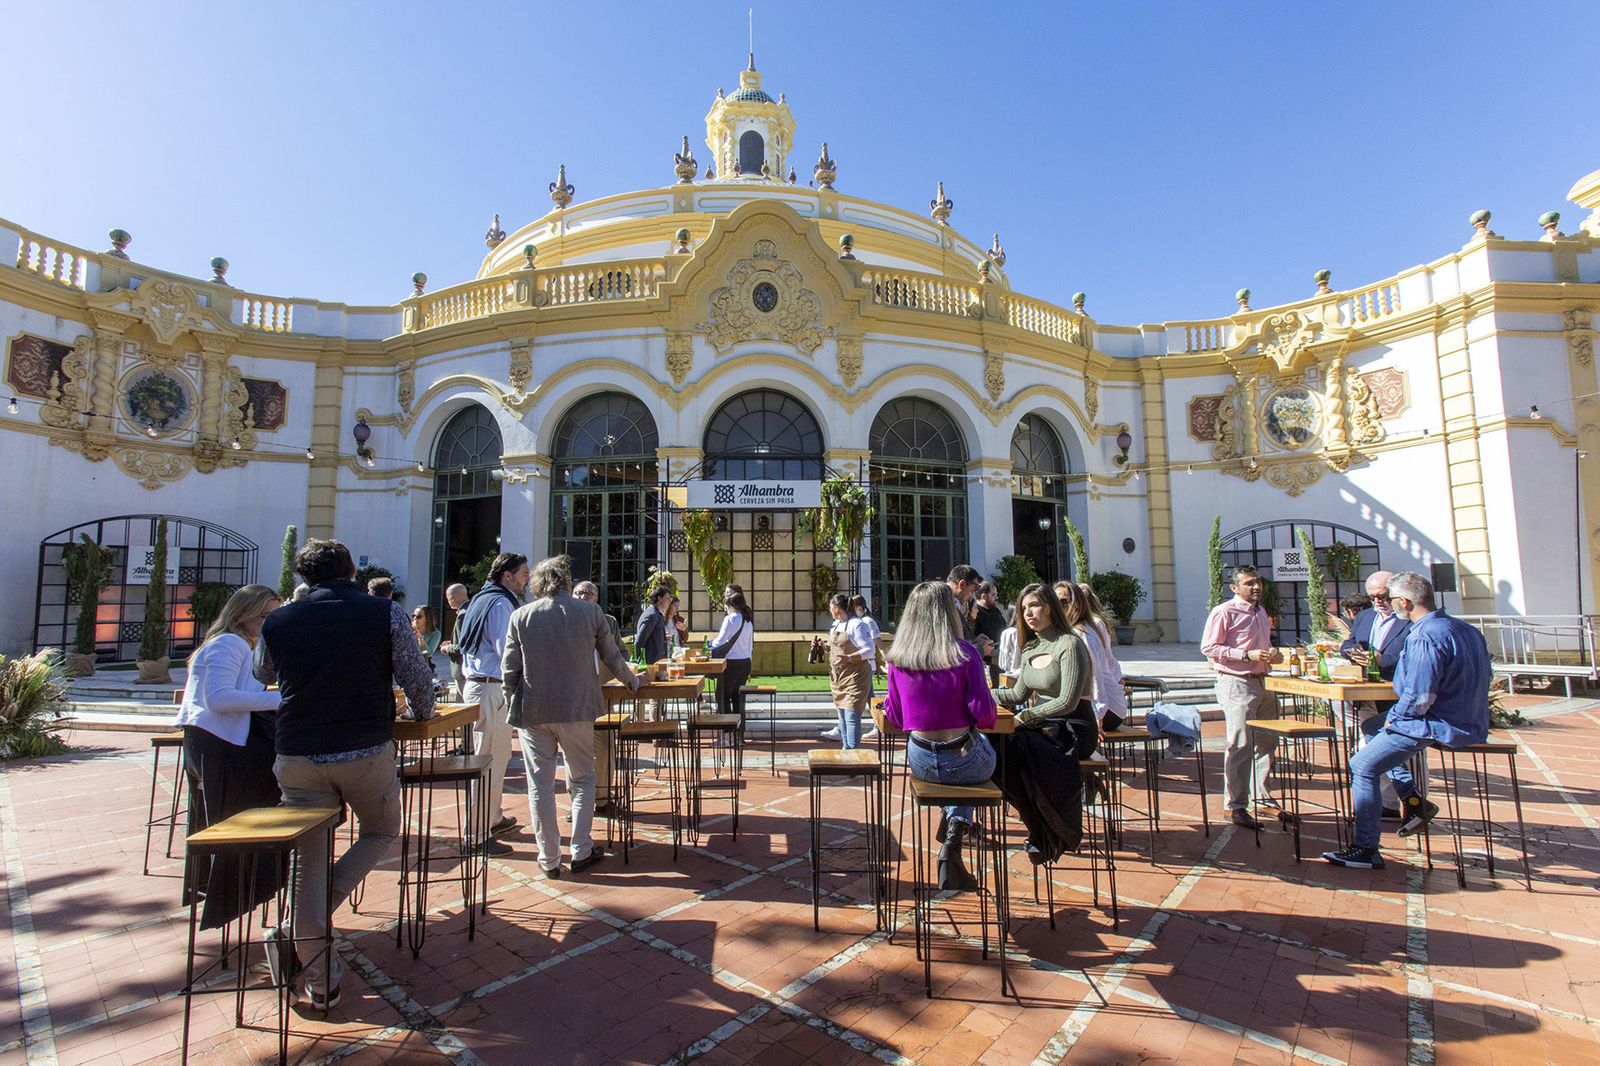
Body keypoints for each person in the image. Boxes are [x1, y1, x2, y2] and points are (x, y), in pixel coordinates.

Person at [255, 538, 435, 1010]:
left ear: (303, 578)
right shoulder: (383, 612)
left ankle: (320, 974)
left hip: (298, 751)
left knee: (307, 863)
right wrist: (424, 711)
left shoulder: (278, 619)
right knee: (380, 831)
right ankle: (304, 931)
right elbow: (415, 675)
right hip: (363, 746)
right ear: (353, 570)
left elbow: (262, 672)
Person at [1324, 572, 1490, 869]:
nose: (1383, 604)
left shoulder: (1424, 635)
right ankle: (1412, 799)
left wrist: (1395, 722)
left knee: (1361, 765)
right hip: (1466, 717)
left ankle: (1365, 848)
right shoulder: (1465, 629)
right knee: (1370, 726)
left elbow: (1419, 697)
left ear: (1404, 602)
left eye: (1388, 599)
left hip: (1436, 722)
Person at [503, 555, 640, 877]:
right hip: (577, 709)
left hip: (534, 711)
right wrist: (632, 682)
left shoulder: (521, 616)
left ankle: (548, 857)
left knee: (539, 785)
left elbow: (510, 670)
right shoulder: (591, 612)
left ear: (537, 583)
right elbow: (614, 658)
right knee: (582, 778)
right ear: (566, 582)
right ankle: (580, 848)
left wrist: (512, 706)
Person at [174, 584, 283, 930]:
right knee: (270, 793)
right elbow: (219, 698)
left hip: (210, 742)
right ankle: (248, 884)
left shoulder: (236, 644)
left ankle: (233, 886)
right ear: (242, 613)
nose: (268, 622)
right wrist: (282, 700)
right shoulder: (230, 642)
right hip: (219, 743)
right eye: (264, 615)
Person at [882, 581, 997, 890]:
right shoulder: (965, 654)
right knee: (987, 755)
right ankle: (955, 833)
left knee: (961, 770)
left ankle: (954, 821)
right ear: (949, 614)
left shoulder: (898, 659)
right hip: (961, 757)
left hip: (920, 758)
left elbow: (894, 716)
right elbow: (985, 715)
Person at [994, 583, 1098, 860]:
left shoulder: (1070, 643)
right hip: (1043, 724)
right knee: (993, 751)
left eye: (1035, 605)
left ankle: (1048, 828)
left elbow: (1068, 701)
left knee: (1012, 750)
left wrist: (1024, 716)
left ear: (1050, 607)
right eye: (1024, 607)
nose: (1028, 612)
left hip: (1073, 726)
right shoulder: (1030, 648)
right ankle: (1038, 825)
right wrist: (979, 693)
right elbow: (1017, 693)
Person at [1201, 564, 1283, 830]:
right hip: (1237, 682)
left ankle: (1262, 797)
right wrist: (1245, 655)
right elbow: (1209, 647)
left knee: (1268, 742)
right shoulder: (1224, 611)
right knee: (1240, 743)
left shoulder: (1260, 612)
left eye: (1257, 582)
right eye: (1249, 583)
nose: (1256, 587)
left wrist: (1273, 654)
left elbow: (1263, 645)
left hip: (1263, 680)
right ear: (1235, 587)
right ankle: (1235, 805)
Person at [458, 553, 529, 855]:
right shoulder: (501, 604)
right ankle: (476, 833)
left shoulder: (482, 598)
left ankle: (493, 817)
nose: (527, 578)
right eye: (524, 572)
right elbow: (507, 652)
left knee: (494, 758)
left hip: (481, 688)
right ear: (507, 575)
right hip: (490, 689)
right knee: (487, 761)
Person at [574, 581, 623, 811]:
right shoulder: (563, 620)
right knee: (573, 751)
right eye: (579, 592)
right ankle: (578, 803)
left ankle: (602, 798)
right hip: (572, 695)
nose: (584, 596)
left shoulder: (608, 621)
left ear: (596, 598)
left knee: (605, 745)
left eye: (589, 593)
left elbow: (621, 653)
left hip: (601, 693)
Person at [1056, 581, 1127, 733]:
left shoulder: (1082, 633)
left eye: (1064, 602)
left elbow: (1095, 673)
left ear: (1077, 604)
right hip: (1103, 703)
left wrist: (1098, 712)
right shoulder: (1068, 631)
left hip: (1109, 708)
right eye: (1055, 602)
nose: (1059, 607)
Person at [826, 592, 875, 748]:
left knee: (851, 715)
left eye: (830, 607)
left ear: (836, 607)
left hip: (856, 677)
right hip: (838, 677)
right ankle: (845, 748)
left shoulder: (857, 625)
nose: (829, 610)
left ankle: (853, 753)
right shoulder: (836, 625)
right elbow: (836, 647)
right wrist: (825, 647)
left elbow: (869, 650)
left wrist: (848, 658)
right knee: (841, 714)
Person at [711, 589, 755, 720]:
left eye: (726, 605)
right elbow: (750, 645)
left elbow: (720, 641)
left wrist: (710, 645)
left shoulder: (730, 619)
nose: (725, 608)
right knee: (738, 697)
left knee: (722, 696)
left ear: (731, 606)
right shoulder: (748, 621)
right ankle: (739, 731)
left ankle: (726, 729)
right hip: (745, 662)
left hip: (731, 663)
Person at [437, 583, 470, 700]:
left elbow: (463, 646)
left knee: (464, 706)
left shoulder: (463, 614)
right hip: (468, 669)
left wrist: (447, 648)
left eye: (448, 599)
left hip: (462, 668)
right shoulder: (471, 609)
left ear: (452, 598)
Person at [972, 582, 1007, 687]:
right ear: (984, 596)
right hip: (987, 663)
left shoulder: (995, 610)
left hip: (1001, 659)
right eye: (993, 594)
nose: (996, 597)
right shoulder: (975, 612)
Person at [634, 585, 673, 666]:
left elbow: (652, 636)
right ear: (659, 598)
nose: (670, 601)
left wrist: (662, 637)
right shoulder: (651, 615)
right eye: (667, 598)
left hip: (656, 662)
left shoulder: (656, 613)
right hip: (650, 663)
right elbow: (640, 640)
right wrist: (636, 661)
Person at [411, 604, 441, 673]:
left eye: (419, 616)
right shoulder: (408, 630)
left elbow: (428, 653)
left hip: (424, 666)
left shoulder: (435, 633)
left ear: (427, 619)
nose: (415, 618)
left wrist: (419, 636)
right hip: (409, 664)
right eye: (413, 616)